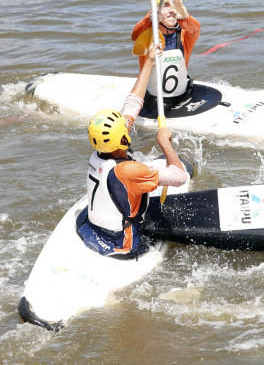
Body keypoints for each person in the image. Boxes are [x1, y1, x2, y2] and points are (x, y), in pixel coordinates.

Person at [79, 43, 190, 257]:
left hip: (91, 229)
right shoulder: (128, 171)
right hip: (120, 241)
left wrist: (149, 62)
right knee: (178, 168)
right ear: (123, 137)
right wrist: (165, 142)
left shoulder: (101, 150)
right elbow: (179, 177)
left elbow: (133, 104)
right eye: (125, 127)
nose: (128, 125)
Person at [130, 0, 200, 101]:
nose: (172, 10)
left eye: (175, 5)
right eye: (166, 5)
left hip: (180, 91)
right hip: (151, 92)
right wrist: (149, 18)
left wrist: (185, 17)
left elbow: (196, 30)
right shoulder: (147, 32)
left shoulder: (186, 33)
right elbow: (134, 35)